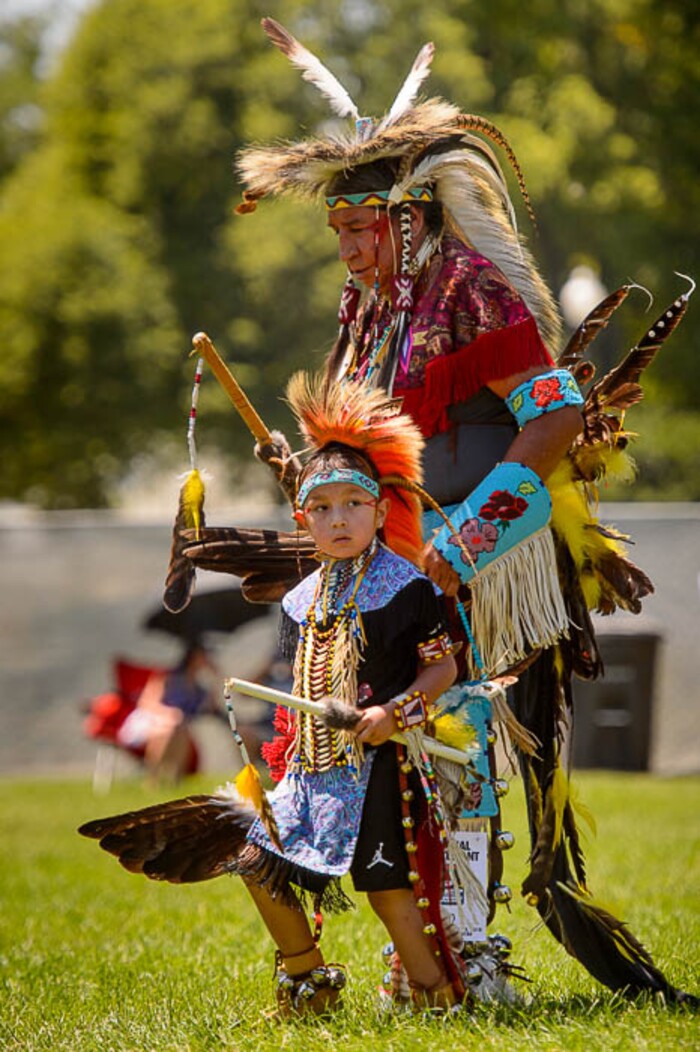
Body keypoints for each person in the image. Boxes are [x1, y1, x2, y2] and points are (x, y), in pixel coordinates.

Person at [210, 18, 694, 1004]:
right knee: (395, 740)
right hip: (390, 559)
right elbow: (375, 433)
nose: (347, 245)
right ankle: (421, 947)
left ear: (410, 213)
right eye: (337, 229)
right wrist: (313, 468)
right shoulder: (367, 304)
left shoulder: (469, 287)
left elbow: (552, 416)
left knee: (453, 727)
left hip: (481, 551)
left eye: (361, 226)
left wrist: (464, 537)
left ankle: (468, 949)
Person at [81, 379, 501, 1015]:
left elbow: (441, 670)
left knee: (388, 889)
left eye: (354, 505)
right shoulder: (300, 599)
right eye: (323, 508)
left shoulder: (408, 586)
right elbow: (298, 678)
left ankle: (437, 997)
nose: (339, 519)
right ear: (304, 518)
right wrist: (283, 750)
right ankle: (309, 985)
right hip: (309, 766)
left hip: (380, 765)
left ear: (381, 512)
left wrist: (394, 712)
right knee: (258, 860)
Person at [117, 642, 219, 784]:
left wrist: (216, 677)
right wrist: (169, 714)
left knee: (179, 729)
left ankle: (174, 779)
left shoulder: (199, 689)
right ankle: (153, 779)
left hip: (177, 728)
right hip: (146, 722)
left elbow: (211, 708)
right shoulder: (168, 677)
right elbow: (147, 703)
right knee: (172, 728)